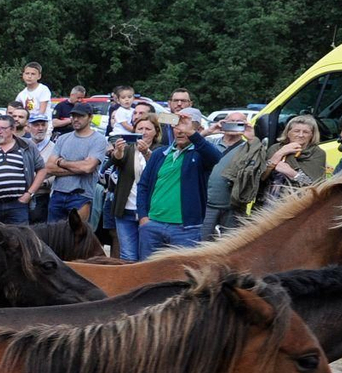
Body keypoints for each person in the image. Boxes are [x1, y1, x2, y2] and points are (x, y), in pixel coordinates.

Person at [136, 109, 224, 256]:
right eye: (177, 126)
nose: (181, 131)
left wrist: (193, 134)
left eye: (186, 127)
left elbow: (215, 157)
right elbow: (143, 186)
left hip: (186, 229)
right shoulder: (160, 154)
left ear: (196, 130)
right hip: (152, 225)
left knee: (182, 276)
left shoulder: (199, 154)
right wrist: (143, 217)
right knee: (147, 275)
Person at [29, 100, 109, 223]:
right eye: (73, 116)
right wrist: (79, 166)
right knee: (54, 237)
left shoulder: (98, 140)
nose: (76, 119)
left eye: (80, 116)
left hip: (81, 195)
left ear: (90, 117)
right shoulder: (62, 138)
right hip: (57, 194)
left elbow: (88, 168)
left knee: (77, 237)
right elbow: (49, 167)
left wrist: (62, 162)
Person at [202, 111, 266, 235]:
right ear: (223, 123)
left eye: (239, 123)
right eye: (231, 122)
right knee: (201, 242)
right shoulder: (211, 143)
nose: (234, 125)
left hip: (233, 205)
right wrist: (208, 132)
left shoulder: (249, 147)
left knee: (231, 245)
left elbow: (261, 163)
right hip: (207, 204)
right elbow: (191, 145)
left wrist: (251, 138)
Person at [106, 111, 156, 261]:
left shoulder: (162, 150)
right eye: (140, 129)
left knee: (148, 255)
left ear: (156, 132)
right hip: (126, 208)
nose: (144, 132)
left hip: (150, 211)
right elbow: (116, 161)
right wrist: (118, 152)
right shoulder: (128, 149)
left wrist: (147, 152)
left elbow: (158, 169)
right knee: (127, 255)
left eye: (148, 129)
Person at [0, 115, 40, 224]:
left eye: (2, 128)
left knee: (19, 238)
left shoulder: (26, 146)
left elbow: (42, 169)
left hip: (17, 204)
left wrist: (29, 193)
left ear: (13, 129)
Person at [259, 114, 328, 208]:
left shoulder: (317, 153)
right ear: (288, 133)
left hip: (296, 205)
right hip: (268, 201)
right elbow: (261, 177)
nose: (300, 135)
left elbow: (315, 186)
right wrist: (279, 154)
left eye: (306, 132)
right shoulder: (276, 148)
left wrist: (292, 173)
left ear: (312, 135)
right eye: (296, 131)